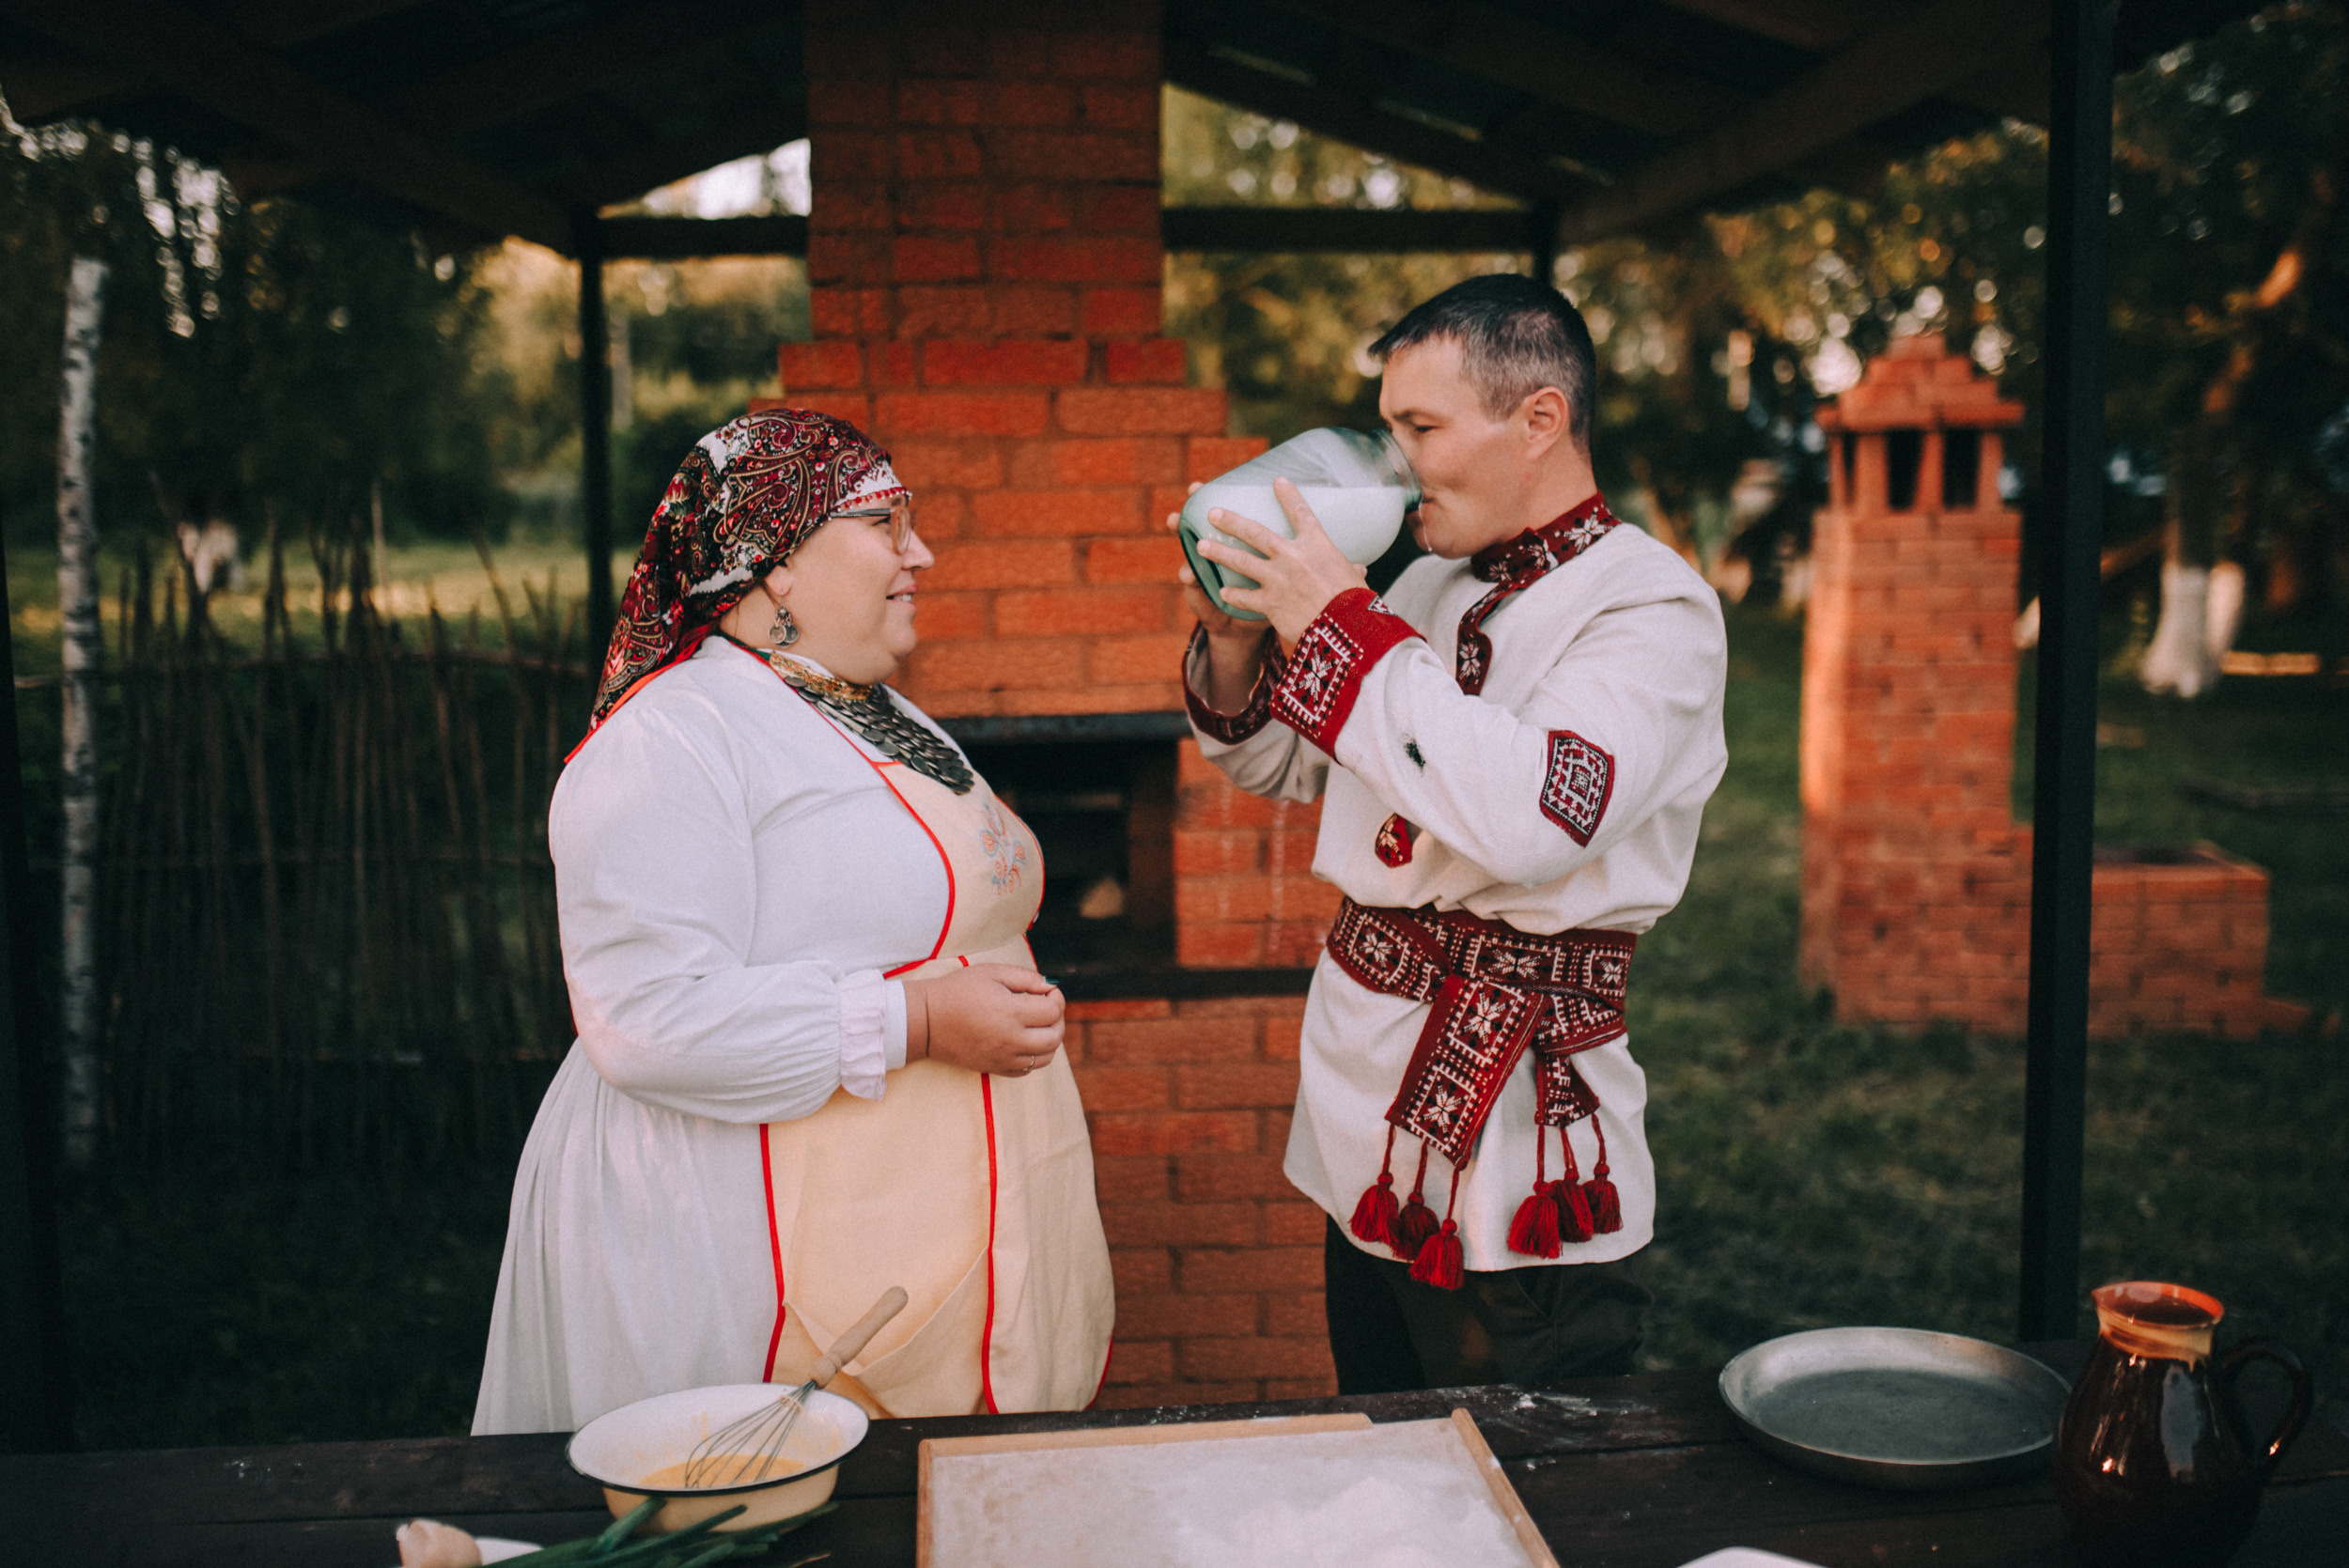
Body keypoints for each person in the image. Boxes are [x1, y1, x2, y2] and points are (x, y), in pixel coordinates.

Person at [474, 409, 1113, 1433]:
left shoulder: (877, 708)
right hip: (736, 1242)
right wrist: (921, 1022)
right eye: (886, 524)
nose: (923, 553)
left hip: (924, 1228)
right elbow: (649, 1018)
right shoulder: (672, 739)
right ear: (773, 562)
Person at [1176, 274, 1726, 1392]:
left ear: (1538, 420)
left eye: (1418, 427)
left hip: (1517, 1153)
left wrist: (1339, 624)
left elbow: (1531, 815)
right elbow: (1284, 762)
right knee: (1388, 1452)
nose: (1394, 461)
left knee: (1536, 1488)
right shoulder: (1421, 580)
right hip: (1361, 1122)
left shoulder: (1649, 609)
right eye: (1387, 428)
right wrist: (1233, 637)